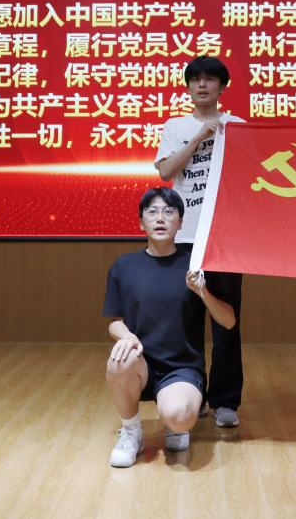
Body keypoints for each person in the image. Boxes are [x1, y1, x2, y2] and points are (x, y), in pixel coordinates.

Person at [103, 187, 237, 468]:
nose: (160, 218)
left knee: (179, 416)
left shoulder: (196, 266)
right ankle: (132, 432)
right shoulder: (124, 266)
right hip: (141, 364)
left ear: (181, 223)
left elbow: (228, 321)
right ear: (141, 223)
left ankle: (173, 424)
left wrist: (202, 292)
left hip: (182, 369)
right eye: (152, 212)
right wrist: (127, 337)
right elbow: (115, 322)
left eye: (169, 211)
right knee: (119, 359)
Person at [154, 55, 245, 428]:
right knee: (186, 322)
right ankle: (192, 392)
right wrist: (198, 138)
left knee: (226, 322)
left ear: (222, 87)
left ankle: (225, 400)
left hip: (225, 239)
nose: (202, 85)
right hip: (185, 237)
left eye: (210, 79)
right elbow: (165, 172)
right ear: (188, 87)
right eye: (196, 80)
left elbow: (248, 179)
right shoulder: (175, 126)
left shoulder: (237, 126)